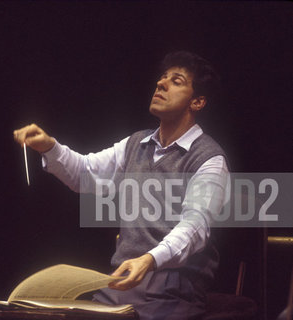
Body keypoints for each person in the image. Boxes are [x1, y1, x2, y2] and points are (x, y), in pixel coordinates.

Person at [13, 51, 229, 320]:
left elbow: (195, 226)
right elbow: (84, 173)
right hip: (119, 286)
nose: (161, 84)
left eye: (176, 81)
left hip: (172, 293)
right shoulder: (135, 144)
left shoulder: (209, 158)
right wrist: (50, 147)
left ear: (197, 101)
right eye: (162, 78)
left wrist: (150, 259)